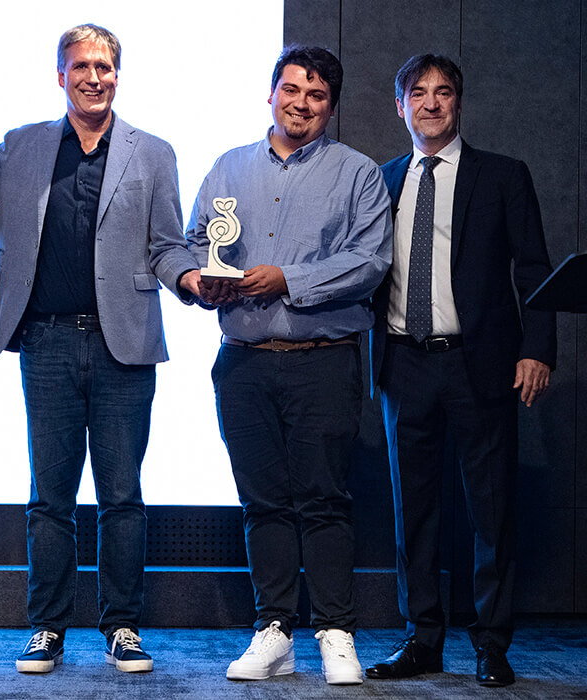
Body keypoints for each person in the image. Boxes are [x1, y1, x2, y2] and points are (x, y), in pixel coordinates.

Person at [0, 24, 202, 674]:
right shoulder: (18, 147)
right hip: (46, 340)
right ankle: (47, 628)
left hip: (123, 344)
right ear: (61, 76)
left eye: (104, 66)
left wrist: (191, 281)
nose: (93, 77)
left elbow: (167, 244)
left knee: (121, 494)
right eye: (81, 66)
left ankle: (122, 626)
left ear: (117, 74)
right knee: (49, 496)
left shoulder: (153, 152)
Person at [186, 45, 392, 686]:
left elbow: (370, 261)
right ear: (271, 93)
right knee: (263, 501)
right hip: (243, 363)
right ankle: (273, 632)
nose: (301, 104)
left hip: (323, 361)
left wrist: (288, 279)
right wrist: (202, 280)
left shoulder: (358, 173)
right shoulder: (228, 166)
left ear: (331, 106)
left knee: (324, 501)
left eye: (317, 95)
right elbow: (197, 242)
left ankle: (336, 632)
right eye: (292, 90)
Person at [363, 54, 556, 688]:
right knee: (413, 512)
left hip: (481, 365)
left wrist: (537, 349)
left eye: (443, 92)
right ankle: (422, 639)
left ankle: (491, 643)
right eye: (418, 93)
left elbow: (534, 271)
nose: (431, 103)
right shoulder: (381, 180)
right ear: (400, 106)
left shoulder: (502, 175)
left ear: (459, 102)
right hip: (403, 363)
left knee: (491, 511)